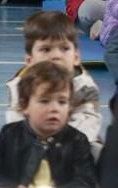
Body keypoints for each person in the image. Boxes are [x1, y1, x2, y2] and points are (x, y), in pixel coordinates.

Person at [0, 62, 97, 188]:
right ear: (25, 106)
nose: (54, 108)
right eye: (44, 101)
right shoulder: (10, 134)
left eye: (62, 102)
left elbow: (86, 182)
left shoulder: (77, 139)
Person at [7, 11, 102, 156]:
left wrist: (58, 147)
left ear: (76, 57)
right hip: (31, 150)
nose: (56, 56)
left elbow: (87, 126)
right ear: (29, 61)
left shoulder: (85, 87)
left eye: (64, 48)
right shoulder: (19, 85)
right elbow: (15, 121)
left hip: (72, 152)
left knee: (97, 150)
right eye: (46, 49)